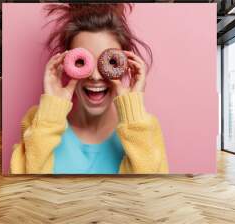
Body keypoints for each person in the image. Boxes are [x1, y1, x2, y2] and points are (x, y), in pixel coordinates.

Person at [10, 3, 169, 174]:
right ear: (65, 63)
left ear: (127, 65)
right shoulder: (39, 122)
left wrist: (133, 114)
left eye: (110, 62)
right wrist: (51, 113)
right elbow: (25, 192)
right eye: (81, 62)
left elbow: (149, 193)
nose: (95, 76)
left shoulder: (144, 128)